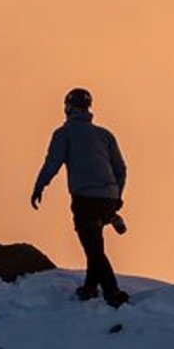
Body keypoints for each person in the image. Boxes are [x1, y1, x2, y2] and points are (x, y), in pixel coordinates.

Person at [30, 87, 129, 308]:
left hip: (85, 198)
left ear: (68, 107)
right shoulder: (104, 134)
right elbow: (121, 168)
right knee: (95, 241)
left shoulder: (64, 134)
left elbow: (52, 163)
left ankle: (112, 292)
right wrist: (117, 196)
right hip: (108, 197)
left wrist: (39, 186)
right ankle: (90, 287)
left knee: (93, 247)